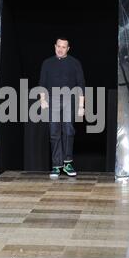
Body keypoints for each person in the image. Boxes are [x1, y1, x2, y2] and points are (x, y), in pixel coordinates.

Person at [39, 37, 85, 178]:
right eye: (58, 46)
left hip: (69, 100)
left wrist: (81, 106)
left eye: (63, 47)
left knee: (68, 131)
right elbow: (42, 83)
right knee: (54, 133)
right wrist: (43, 100)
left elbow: (81, 85)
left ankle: (68, 163)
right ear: (55, 46)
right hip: (52, 100)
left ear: (68, 49)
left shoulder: (75, 63)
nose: (60, 49)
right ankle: (56, 166)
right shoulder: (47, 63)